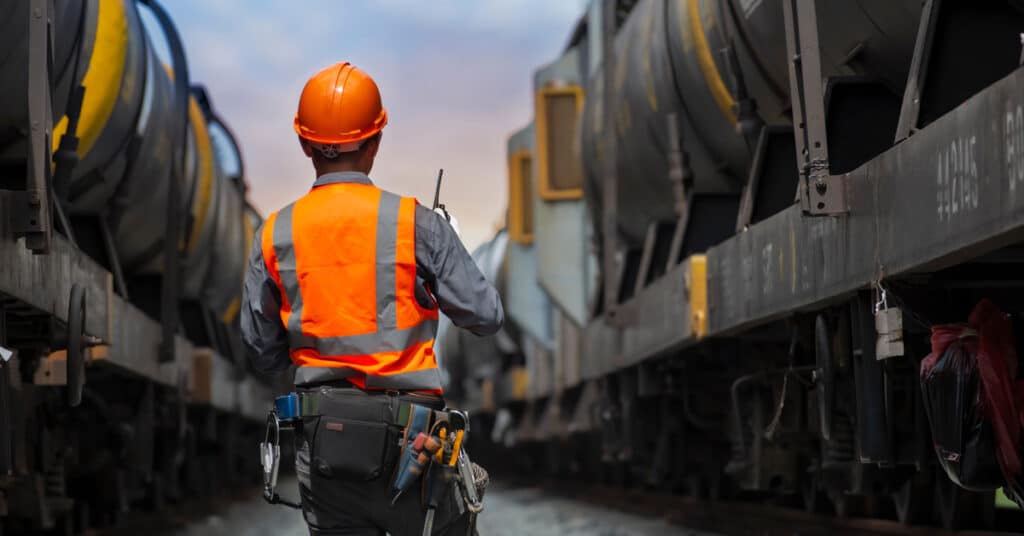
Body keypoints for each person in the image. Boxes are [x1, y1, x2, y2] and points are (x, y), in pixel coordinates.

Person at [241, 61, 503, 536]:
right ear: (376, 141)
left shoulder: (274, 234)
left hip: (324, 448)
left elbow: (261, 350)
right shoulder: (416, 224)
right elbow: (486, 316)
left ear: (304, 144)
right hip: (416, 444)